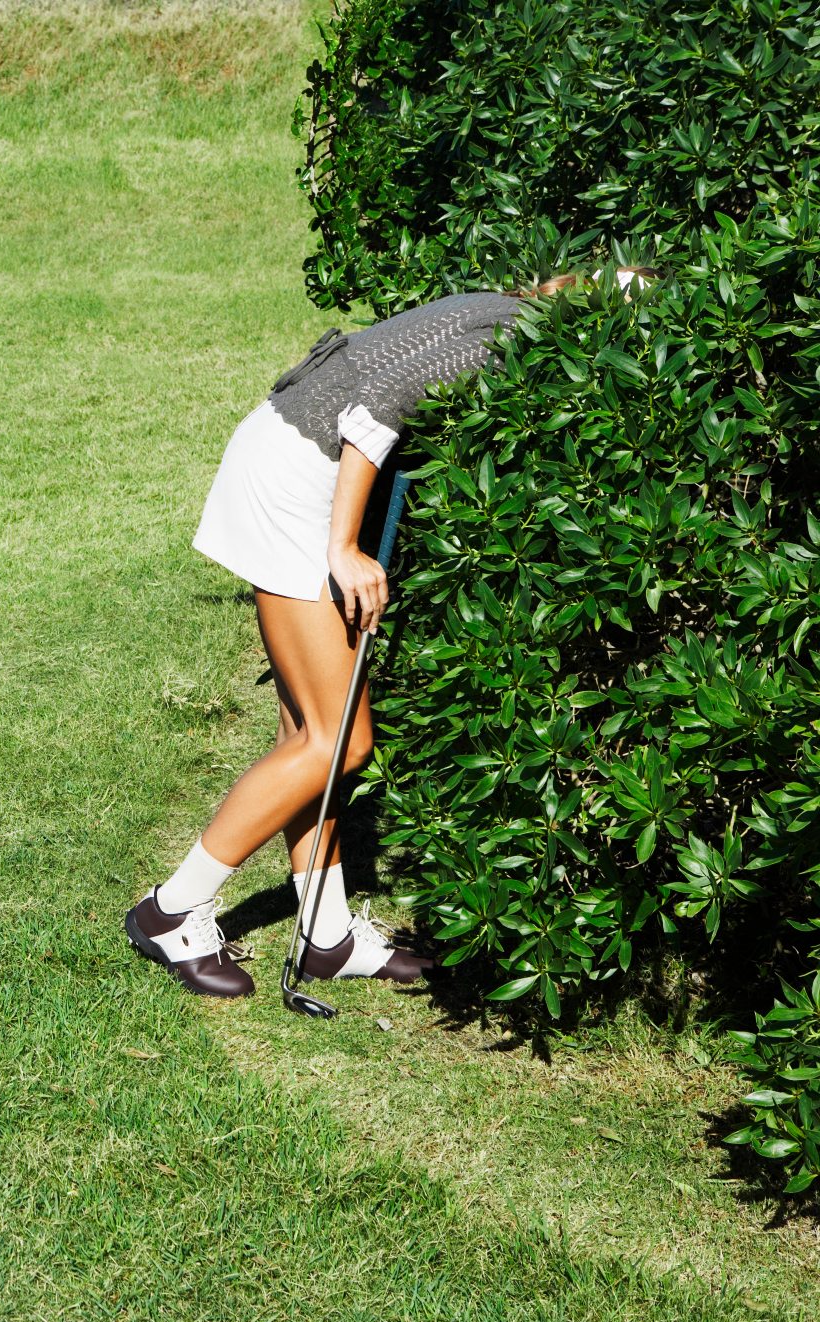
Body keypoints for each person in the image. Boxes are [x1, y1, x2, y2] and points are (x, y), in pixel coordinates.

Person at [124, 268, 658, 998]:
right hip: (292, 478)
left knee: (310, 734)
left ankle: (327, 933)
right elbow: (374, 409)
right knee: (336, 740)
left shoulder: (502, 311)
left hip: (285, 457)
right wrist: (345, 549)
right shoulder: (507, 339)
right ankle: (173, 909)